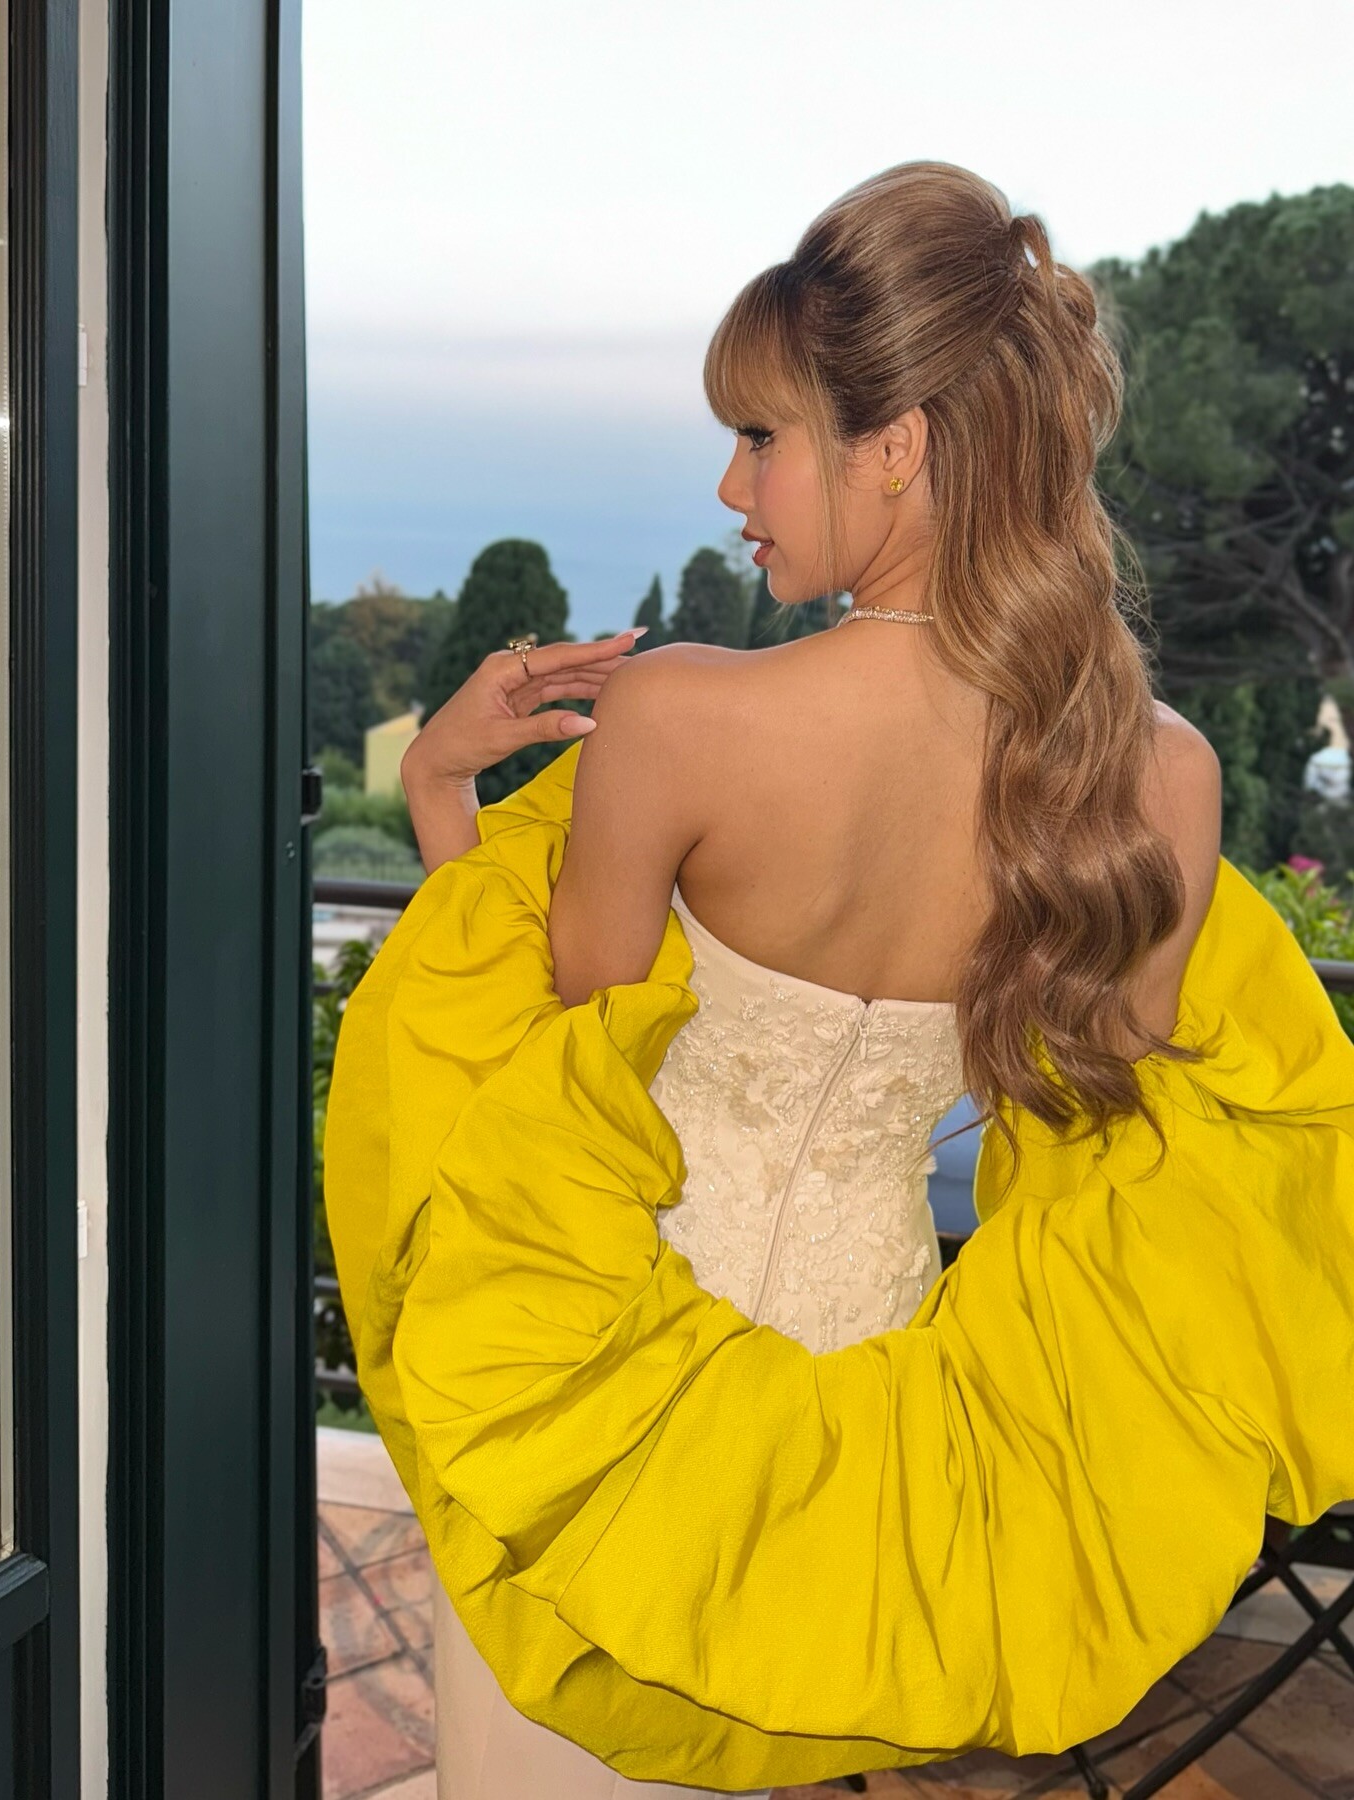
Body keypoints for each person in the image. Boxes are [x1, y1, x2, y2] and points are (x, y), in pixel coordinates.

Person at [324, 162, 1354, 1797]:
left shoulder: (681, 715)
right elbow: (1112, 1151)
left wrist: (444, 783)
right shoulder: (1153, 777)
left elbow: (537, 1085)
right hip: (890, 1442)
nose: (730, 484)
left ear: (901, 445)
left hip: (608, 1393)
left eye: (762, 435)